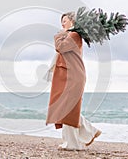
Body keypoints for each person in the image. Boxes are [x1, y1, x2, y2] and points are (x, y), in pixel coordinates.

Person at [45, 11, 101, 151]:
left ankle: (74, 143)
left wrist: (58, 35)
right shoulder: (69, 35)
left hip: (73, 77)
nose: (62, 23)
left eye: (65, 20)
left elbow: (61, 47)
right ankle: (88, 132)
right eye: (61, 21)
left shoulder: (74, 35)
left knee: (68, 108)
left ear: (73, 21)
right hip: (67, 76)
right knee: (66, 108)